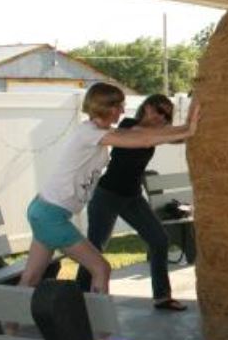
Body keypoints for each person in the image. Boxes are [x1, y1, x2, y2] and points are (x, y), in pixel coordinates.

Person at [17, 83, 199, 340]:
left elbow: (152, 135)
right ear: (106, 107)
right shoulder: (91, 133)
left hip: (43, 209)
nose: (123, 111)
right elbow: (143, 139)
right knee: (100, 267)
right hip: (52, 215)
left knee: (31, 278)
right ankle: (102, 335)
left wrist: (188, 128)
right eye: (118, 106)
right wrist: (188, 129)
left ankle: (8, 326)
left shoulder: (98, 132)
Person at [77, 94, 189, 311]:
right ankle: (79, 297)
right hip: (107, 195)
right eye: (159, 110)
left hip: (132, 197)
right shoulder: (128, 126)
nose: (161, 117)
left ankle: (162, 297)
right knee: (95, 248)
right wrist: (178, 131)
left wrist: (195, 129)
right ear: (146, 107)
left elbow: (175, 137)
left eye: (166, 115)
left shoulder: (156, 134)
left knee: (159, 240)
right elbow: (149, 135)